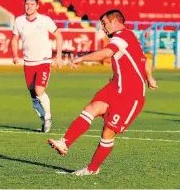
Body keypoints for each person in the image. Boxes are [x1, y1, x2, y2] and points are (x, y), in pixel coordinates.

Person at [48, 9, 158, 176]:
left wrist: (82, 58)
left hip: (131, 95)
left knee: (108, 131)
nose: (103, 28)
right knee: (91, 108)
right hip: (116, 87)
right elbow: (145, 60)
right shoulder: (128, 37)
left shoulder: (121, 36)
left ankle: (92, 169)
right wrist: (149, 78)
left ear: (115, 21)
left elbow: (107, 53)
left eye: (104, 24)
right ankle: (65, 143)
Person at [11, 0, 63, 133]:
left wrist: (58, 56)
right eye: (27, 4)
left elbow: (58, 35)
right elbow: (14, 38)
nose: (29, 7)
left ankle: (48, 116)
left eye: (32, 4)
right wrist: (15, 55)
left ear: (37, 6)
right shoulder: (19, 21)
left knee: (40, 90)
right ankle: (43, 118)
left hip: (44, 60)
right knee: (33, 94)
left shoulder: (45, 20)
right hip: (28, 62)